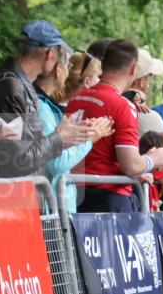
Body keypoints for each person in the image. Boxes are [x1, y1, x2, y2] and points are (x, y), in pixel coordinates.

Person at [64, 39, 163, 213]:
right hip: (110, 200)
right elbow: (130, 164)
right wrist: (153, 159)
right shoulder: (123, 106)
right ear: (133, 69)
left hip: (75, 196)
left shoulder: (76, 99)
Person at [0, 20, 92, 178]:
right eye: (58, 55)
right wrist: (59, 138)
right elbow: (19, 159)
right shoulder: (10, 88)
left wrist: (58, 136)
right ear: (50, 54)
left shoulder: (16, 84)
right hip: (8, 197)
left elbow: (24, 147)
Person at [35, 51, 114, 212]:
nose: (101, 82)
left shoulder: (54, 108)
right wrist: (89, 139)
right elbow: (57, 163)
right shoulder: (43, 108)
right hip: (53, 210)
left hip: (60, 206)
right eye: (98, 77)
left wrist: (82, 134)